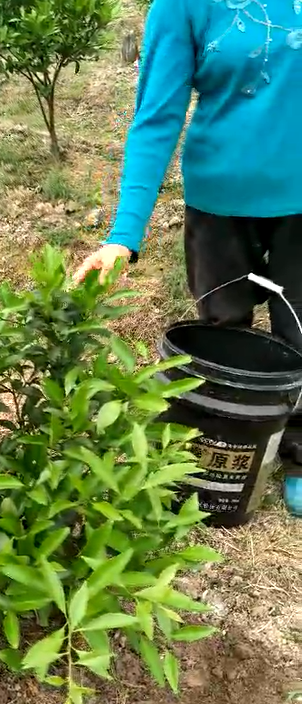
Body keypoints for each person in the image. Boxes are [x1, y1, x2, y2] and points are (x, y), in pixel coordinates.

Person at [74, 0, 302, 516]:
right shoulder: (181, 7)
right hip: (219, 207)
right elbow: (156, 118)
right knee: (224, 334)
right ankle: (226, 447)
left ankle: (300, 452)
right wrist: (123, 236)